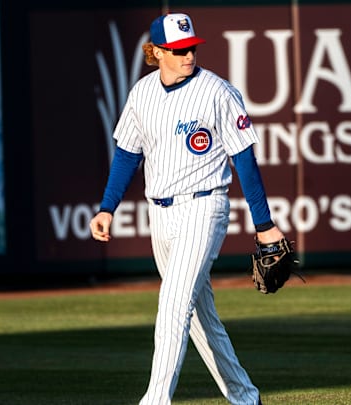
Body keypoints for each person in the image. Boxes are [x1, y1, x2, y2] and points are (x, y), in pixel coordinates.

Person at [89, 12, 285, 405]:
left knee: (173, 302)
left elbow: (244, 159)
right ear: (156, 52)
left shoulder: (217, 92)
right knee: (197, 315)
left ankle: (155, 400)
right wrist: (107, 206)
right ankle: (246, 397)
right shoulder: (142, 93)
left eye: (191, 48)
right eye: (178, 50)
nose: (187, 56)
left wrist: (264, 225)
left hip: (205, 205)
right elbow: (128, 154)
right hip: (159, 212)